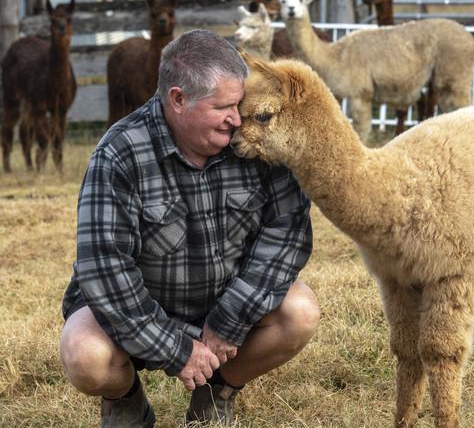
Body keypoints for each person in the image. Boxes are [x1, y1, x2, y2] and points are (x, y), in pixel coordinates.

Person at [59, 29, 319, 427]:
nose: (237, 118)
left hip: (223, 307)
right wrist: (175, 348)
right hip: (141, 311)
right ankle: (125, 400)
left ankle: (216, 391)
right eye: (223, 107)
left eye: (239, 103)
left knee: (300, 312)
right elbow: (104, 269)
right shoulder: (119, 152)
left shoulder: (252, 137)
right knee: (84, 354)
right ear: (178, 99)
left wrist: (230, 319)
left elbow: (289, 230)